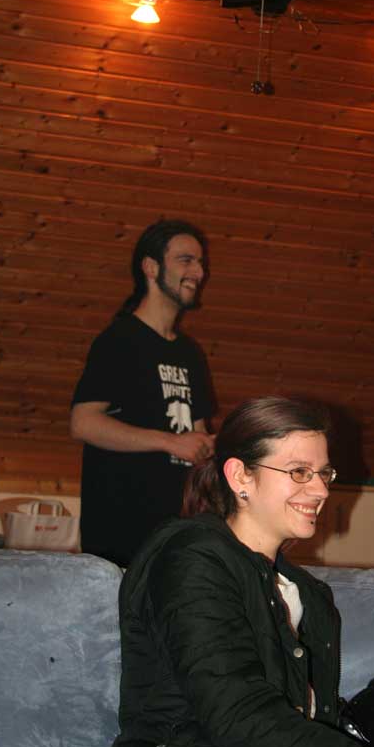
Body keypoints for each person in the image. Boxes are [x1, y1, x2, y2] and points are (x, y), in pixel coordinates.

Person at [95, 396, 374, 747]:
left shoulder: (307, 593)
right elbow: (238, 716)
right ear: (240, 477)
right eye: (299, 472)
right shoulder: (192, 559)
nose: (320, 490)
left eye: (324, 473)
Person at [71, 219, 215, 567]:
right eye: (186, 260)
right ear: (151, 267)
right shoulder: (119, 340)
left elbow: (196, 437)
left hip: (176, 536)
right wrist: (169, 442)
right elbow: (83, 423)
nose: (198, 272)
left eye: (200, 263)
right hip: (121, 537)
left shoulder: (190, 353)